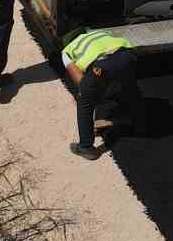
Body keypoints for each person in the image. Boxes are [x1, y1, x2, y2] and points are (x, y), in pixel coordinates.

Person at [61, 27, 143, 161]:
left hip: (103, 65)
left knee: (84, 101)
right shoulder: (99, 33)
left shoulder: (67, 51)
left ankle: (86, 147)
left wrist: (90, 96)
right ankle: (139, 125)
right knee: (129, 87)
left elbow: (80, 81)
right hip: (128, 57)